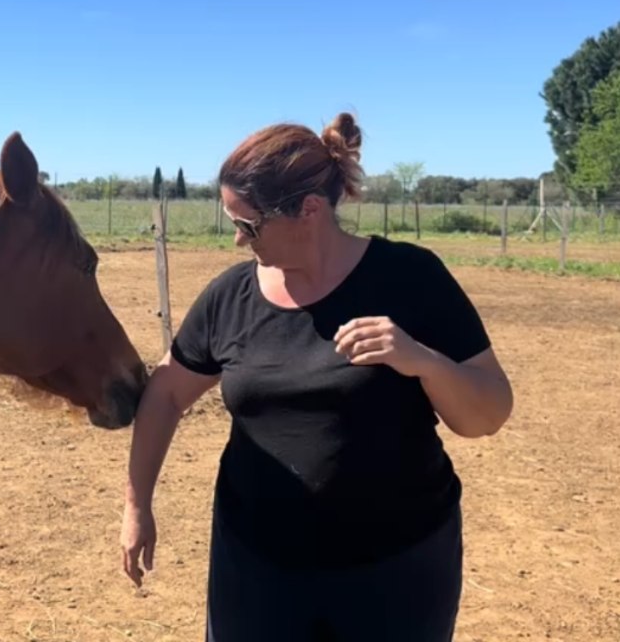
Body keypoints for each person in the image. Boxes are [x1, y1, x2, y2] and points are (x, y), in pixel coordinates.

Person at [119, 112, 514, 641]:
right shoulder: (230, 297)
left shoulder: (411, 278)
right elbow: (166, 393)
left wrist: (422, 360)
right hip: (257, 572)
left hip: (396, 572)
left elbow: (488, 413)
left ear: (309, 211)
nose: (238, 240)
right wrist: (136, 505)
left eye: (247, 224)